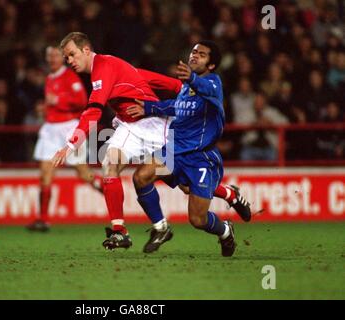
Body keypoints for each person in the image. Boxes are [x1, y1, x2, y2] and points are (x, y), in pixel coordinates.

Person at [53, 32, 250, 251]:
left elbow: (94, 110)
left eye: (72, 55)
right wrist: (179, 87)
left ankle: (228, 193)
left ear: (86, 50)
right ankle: (123, 231)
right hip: (129, 125)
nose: (69, 61)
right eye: (66, 57)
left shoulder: (103, 68)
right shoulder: (109, 67)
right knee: (111, 163)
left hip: (153, 124)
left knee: (186, 185)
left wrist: (70, 145)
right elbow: (142, 76)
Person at [127, 41, 238, 256]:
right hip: (175, 151)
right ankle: (161, 227)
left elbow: (205, 88)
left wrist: (193, 78)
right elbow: (176, 106)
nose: (195, 56)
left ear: (211, 65)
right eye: (194, 52)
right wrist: (149, 107)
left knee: (197, 219)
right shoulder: (187, 87)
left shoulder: (214, 84)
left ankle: (225, 230)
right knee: (141, 177)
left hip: (200, 157)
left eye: (202, 55)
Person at [27, 45, 103, 232]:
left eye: (55, 55)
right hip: (50, 130)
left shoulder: (70, 76)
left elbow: (82, 100)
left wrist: (58, 101)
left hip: (69, 128)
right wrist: (45, 108)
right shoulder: (49, 78)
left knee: (84, 174)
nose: (52, 58)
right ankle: (43, 220)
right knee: (45, 175)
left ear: (62, 58)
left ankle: (103, 186)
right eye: (49, 55)